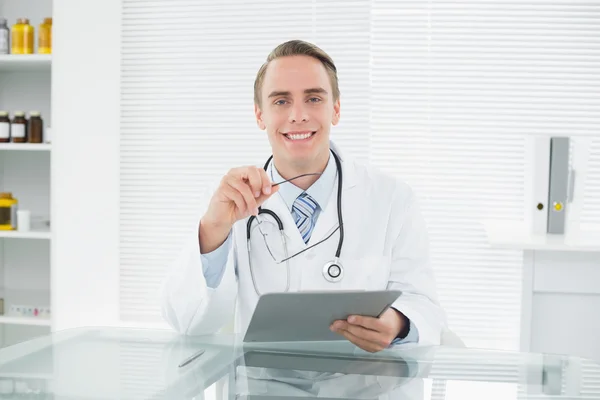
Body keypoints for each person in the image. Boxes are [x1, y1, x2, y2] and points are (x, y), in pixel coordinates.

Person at [161, 39, 447, 352]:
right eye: (281, 101)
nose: (298, 115)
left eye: (313, 98)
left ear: (335, 109)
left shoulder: (393, 199)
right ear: (260, 116)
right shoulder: (229, 200)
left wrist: (398, 323)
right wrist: (214, 229)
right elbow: (187, 322)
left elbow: (425, 306)